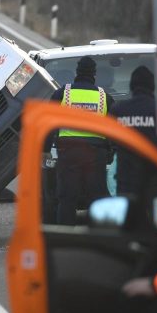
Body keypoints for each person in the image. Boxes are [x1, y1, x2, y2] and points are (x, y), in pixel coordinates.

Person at [49, 56, 116, 225]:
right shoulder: (104, 97)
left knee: (66, 197)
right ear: (94, 74)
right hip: (96, 154)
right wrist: (111, 151)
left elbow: (48, 123)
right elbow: (114, 129)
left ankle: (66, 234)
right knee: (96, 197)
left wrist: (44, 149)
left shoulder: (63, 93)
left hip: (68, 152)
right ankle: (98, 235)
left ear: (77, 72)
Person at [112, 65, 157, 197]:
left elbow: (110, 141)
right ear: (152, 86)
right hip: (154, 179)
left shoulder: (119, 110)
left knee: (129, 216)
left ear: (132, 86)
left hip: (126, 181)